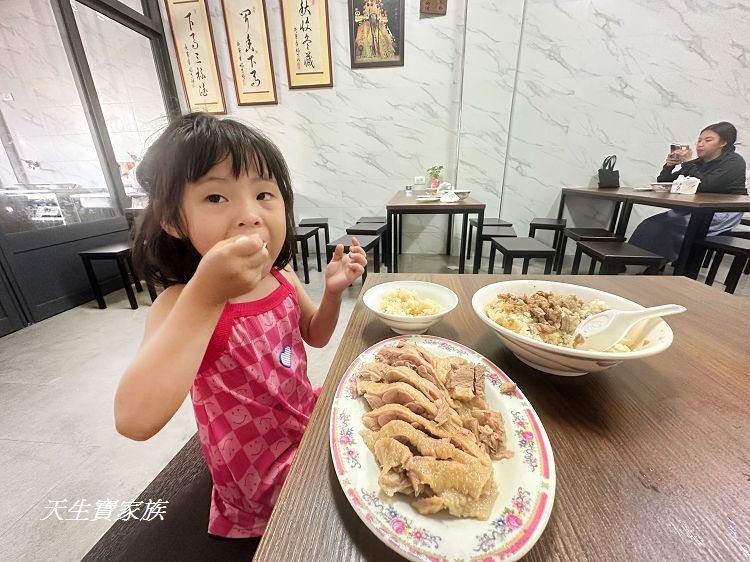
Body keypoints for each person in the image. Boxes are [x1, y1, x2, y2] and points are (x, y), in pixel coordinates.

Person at [114, 112, 367, 542]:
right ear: (175, 220)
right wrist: (205, 296)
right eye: (216, 198)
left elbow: (315, 336)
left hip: (303, 419)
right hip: (257, 469)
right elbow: (134, 420)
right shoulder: (181, 303)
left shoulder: (282, 278)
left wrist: (331, 293)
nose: (250, 215)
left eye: (264, 193)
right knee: (358, 496)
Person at [629, 121, 747, 265]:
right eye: (699, 140)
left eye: (708, 140)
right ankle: (631, 261)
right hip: (694, 210)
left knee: (665, 228)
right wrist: (669, 166)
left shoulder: (734, 162)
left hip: (720, 212)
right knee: (649, 224)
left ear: (723, 142)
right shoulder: (698, 162)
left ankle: (656, 266)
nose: (700, 144)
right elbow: (664, 182)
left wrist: (687, 161)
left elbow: (706, 185)